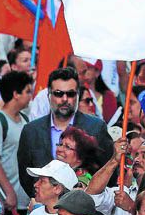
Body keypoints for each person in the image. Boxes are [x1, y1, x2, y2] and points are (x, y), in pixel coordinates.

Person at [18, 68, 112, 198]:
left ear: (77, 95)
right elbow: (26, 177)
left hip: (86, 211)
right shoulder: (31, 131)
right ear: (49, 95)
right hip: (44, 209)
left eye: (71, 94)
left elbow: (108, 172)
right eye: (58, 93)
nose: (65, 99)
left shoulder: (96, 128)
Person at [0, 70, 33, 210]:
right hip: (5, 199)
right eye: (27, 91)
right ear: (16, 94)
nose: (31, 96)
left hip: (24, 198)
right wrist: (9, 192)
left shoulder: (25, 119)